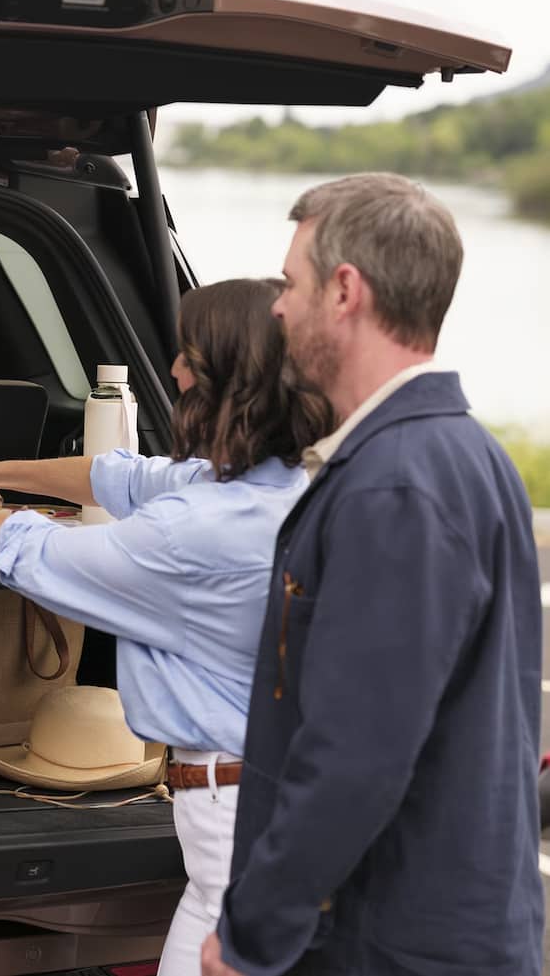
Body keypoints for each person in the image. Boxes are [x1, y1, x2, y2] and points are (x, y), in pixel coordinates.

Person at [0, 278, 333, 976]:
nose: (173, 372)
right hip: (259, 807)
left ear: (234, 381)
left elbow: (51, 554)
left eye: (191, 359)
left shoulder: (197, 529)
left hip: (234, 821)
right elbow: (120, 476)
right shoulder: (267, 486)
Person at [200, 173, 543, 976]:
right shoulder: (466, 455)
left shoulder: (395, 484)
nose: (279, 306)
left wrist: (251, 932)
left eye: (292, 282)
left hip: (391, 948)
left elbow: (354, 756)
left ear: (345, 290)